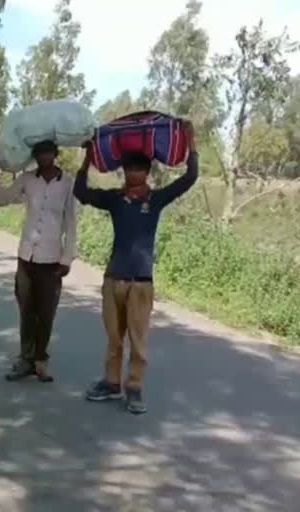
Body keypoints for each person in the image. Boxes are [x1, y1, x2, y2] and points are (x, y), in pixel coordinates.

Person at [75, 122, 198, 415]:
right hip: (113, 278)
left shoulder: (155, 200)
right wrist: (88, 157)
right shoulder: (115, 200)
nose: (133, 174)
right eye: (129, 170)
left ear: (148, 173)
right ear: (124, 173)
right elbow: (81, 191)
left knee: (138, 340)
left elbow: (190, 177)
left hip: (141, 282)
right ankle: (111, 382)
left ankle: (134, 388)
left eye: (139, 169)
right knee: (114, 338)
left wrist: (192, 142)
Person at [0, 141, 77, 383]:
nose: (43, 157)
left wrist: (67, 258)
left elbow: (70, 221)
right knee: (26, 311)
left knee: (46, 313)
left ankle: (40, 361)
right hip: (27, 256)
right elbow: (2, 198)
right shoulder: (28, 180)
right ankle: (25, 360)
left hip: (52, 260)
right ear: (34, 155)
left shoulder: (67, 183)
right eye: (39, 153)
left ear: (56, 154)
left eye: (47, 152)